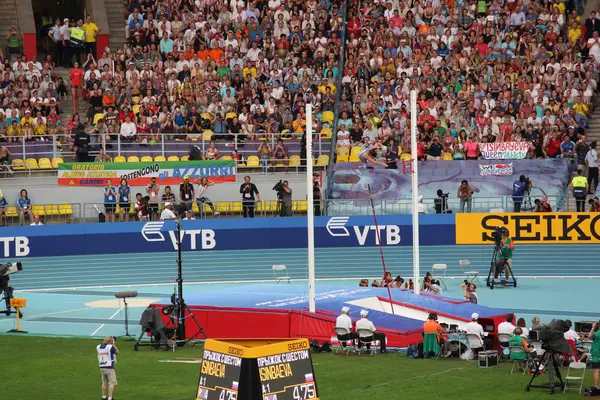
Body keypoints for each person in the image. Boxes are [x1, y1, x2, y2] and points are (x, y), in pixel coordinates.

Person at [97, 336, 119, 400]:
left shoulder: (98, 347)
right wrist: (113, 344)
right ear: (110, 341)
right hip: (109, 367)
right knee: (112, 383)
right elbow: (117, 352)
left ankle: (103, 397)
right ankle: (110, 398)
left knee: (104, 383)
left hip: (102, 366)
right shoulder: (110, 347)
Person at [587, 322, 600, 388]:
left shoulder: (596, 334)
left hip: (596, 354)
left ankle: (595, 386)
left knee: (596, 371)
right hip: (597, 353)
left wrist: (593, 327)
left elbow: (589, 337)